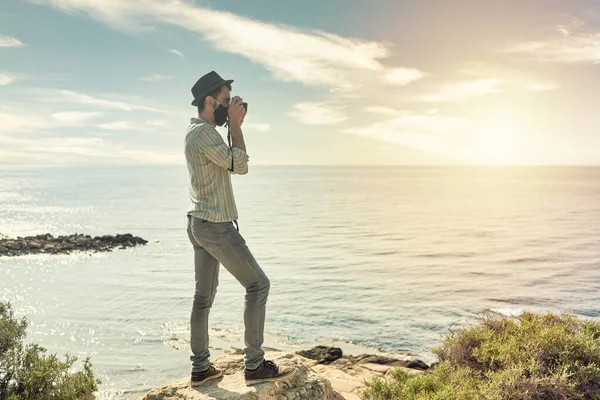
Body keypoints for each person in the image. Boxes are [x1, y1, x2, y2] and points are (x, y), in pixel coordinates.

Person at [183, 71, 296, 387]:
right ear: (210, 101)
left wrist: (231, 125)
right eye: (225, 100)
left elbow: (230, 162)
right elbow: (241, 165)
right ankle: (255, 366)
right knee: (258, 285)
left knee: (202, 298)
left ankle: (201, 369)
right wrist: (235, 124)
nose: (229, 105)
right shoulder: (205, 133)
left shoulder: (195, 132)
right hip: (215, 225)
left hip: (199, 222)